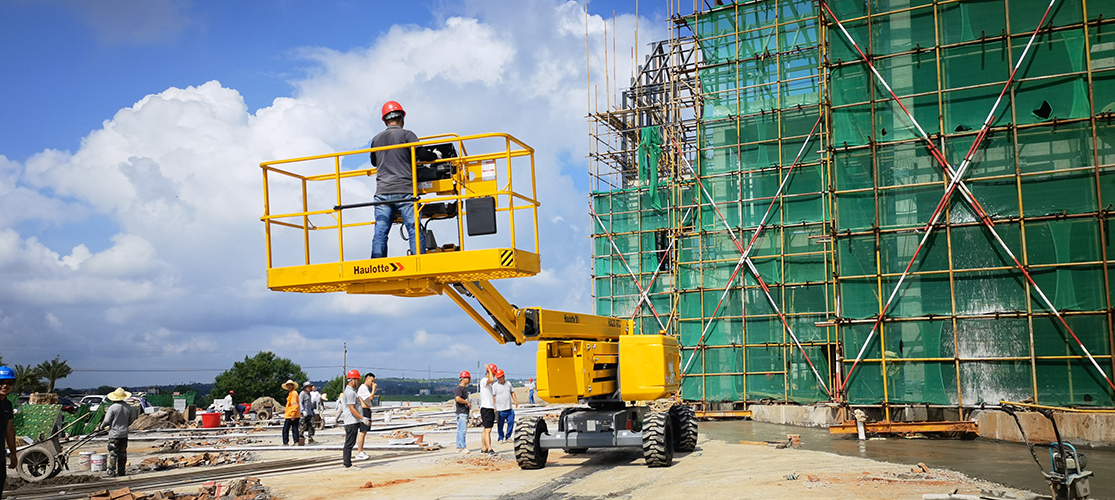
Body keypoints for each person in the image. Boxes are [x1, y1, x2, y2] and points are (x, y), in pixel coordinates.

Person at [369, 100, 425, 258]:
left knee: (380, 230)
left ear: (385, 120)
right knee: (413, 228)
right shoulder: (407, 135)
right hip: (405, 191)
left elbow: (374, 162)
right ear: (402, 117)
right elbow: (422, 155)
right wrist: (435, 155)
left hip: (382, 193)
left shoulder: (376, 139)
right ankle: (419, 259)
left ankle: (377, 262)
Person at [99, 387, 137, 477]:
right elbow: (131, 421)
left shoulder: (113, 407)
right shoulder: (129, 408)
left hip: (114, 434)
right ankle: (121, 471)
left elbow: (107, 420)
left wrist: (101, 427)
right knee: (122, 453)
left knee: (113, 453)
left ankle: (111, 471)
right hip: (124, 434)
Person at [341, 370, 372, 469]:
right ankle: (347, 464)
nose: (358, 382)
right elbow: (351, 408)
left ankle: (347, 463)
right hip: (351, 421)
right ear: (352, 380)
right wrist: (362, 418)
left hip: (354, 420)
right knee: (349, 443)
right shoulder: (350, 392)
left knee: (351, 442)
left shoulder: (352, 391)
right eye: (357, 380)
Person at [0, 367, 17, 495]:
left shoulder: (7, 405)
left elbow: (9, 430)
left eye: (9, 383)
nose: (5, 386)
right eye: (1, 382)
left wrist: (13, 453)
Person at [355, 372, 378, 460]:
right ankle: (360, 451)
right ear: (367, 379)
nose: (372, 383)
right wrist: (374, 389)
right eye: (371, 381)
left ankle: (361, 451)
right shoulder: (363, 388)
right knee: (363, 431)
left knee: (364, 432)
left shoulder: (365, 388)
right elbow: (370, 398)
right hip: (364, 411)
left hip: (367, 410)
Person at [493, 369, 518, 443]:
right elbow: (493, 396)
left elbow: (512, 392)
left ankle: (508, 436)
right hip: (500, 409)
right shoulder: (495, 386)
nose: (499, 379)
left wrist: (515, 401)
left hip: (509, 408)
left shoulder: (508, 384)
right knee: (500, 425)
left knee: (511, 422)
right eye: (498, 378)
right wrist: (495, 406)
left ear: (504, 376)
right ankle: (501, 437)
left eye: (501, 377)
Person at [478, 363, 497, 455]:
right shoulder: (484, 380)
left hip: (489, 407)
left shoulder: (488, 384)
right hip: (486, 407)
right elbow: (492, 380)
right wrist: (489, 369)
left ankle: (483, 447)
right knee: (488, 429)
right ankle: (489, 448)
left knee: (485, 429)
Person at [454, 371, 471, 454]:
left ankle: (459, 446)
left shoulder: (464, 389)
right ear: (463, 379)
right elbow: (458, 399)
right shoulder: (459, 389)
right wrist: (467, 402)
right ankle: (463, 447)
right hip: (462, 412)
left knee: (460, 430)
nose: (469, 380)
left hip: (463, 412)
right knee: (462, 431)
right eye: (468, 378)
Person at [281, 379, 301, 446]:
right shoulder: (291, 393)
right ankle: (296, 441)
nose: (288, 387)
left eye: (290, 385)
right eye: (288, 385)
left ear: (292, 385)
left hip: (291, 414)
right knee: (294, 428)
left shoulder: (293, 393)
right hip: (293, 414)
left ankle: (286, 442)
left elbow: (294, 404)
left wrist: (293, 414)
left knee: (286, 429)